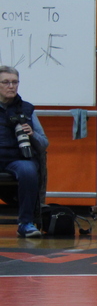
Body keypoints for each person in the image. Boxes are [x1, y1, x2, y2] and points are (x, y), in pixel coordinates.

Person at [0, 66, 48, 238]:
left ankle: (26, 223)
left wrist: (32, 134)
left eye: (14, 82)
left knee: (28, 170)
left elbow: (43, 144)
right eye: (6, 82)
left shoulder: (27, 109)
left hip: (17, 158)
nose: (11, 86)